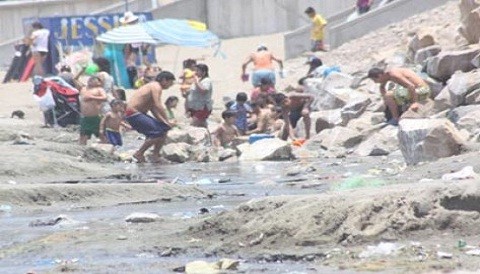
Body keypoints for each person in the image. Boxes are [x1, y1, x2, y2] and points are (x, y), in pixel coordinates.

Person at [125, 71, 176, 163]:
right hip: (133, 113)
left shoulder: (154, 87)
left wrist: (164, 122)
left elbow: (153, 108)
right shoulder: (156, 86)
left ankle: (155, 155)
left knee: (164, 129)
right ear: (164, 80)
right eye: (170, 83)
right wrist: (167, 120)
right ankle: (139, 153)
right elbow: (158, 104)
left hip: (140, 114)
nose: (170, 86)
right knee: (157, 133)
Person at [79, 76, 108, 145]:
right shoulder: (83, 88)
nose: (99, 83)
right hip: (85, 117)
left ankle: (108, 149)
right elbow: (74, 79)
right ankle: (81, 151)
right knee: (83, 135)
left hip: (95, 117)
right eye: (97, 81)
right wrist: (82, 69)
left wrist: (92, 97)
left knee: (101, 135)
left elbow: (105, 98)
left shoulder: (99, 89)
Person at [186, 64, 213, 128]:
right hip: (194, 107)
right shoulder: (198, 80)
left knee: (193, 124)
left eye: (198, 71)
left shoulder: (206, 81)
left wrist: (196, 81)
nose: (196, 72)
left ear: (204, 72)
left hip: (202, 107)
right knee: (201, 125)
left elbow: (203, 90)